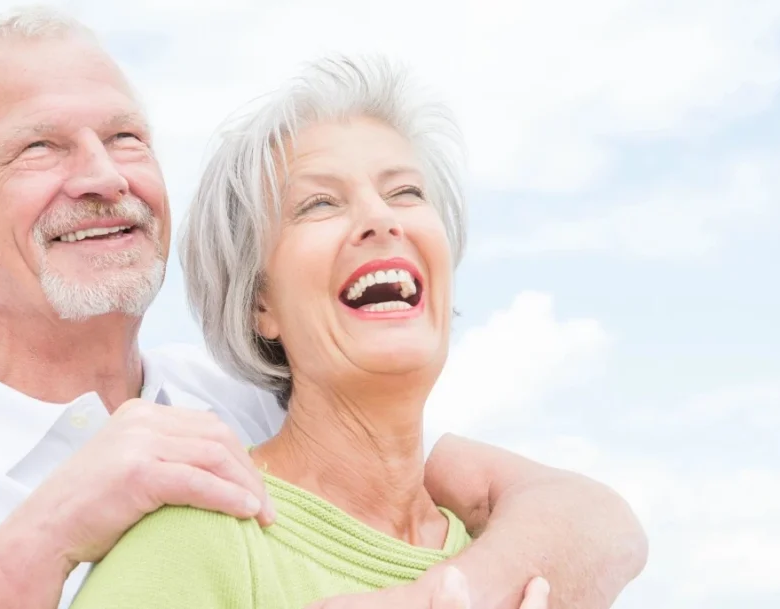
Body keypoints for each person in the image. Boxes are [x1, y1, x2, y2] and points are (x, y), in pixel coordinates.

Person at [0, 7, 647, 609]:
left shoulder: (260, 398)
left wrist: (451, 595)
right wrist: (46, 532)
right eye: (40, 146)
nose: (104, 176)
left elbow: (588, 515)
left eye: (127, 136)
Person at [66, 54, 561, 608]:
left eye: (405, 193)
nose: (381, 218)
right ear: (259, 302)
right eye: (319, 203)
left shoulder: (503, 557)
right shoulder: (199, 534)